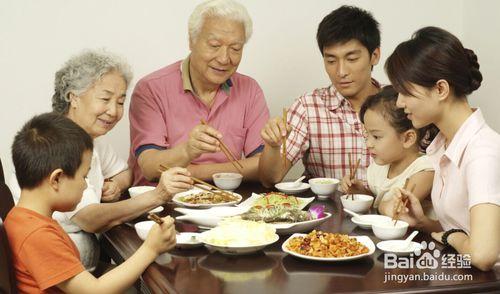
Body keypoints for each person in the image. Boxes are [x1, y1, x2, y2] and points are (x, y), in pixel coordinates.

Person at [9, 49, 193, 271]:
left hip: (83, 268)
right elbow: (91, 219)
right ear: (73, 97)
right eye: (105, 99)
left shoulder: (90, 139)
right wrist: (159, 195)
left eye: (120, 101)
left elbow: (125, 172)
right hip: (58, 274)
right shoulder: (57, 145)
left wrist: (115, 185)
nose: (113, 111)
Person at [4, 113, 177, 293]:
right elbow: (95, 291)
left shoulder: (20, 218)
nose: (86, 185)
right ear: (56, 179)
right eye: (84, 176)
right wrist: (151, 248)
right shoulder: (37, 235)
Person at [386, 26, 500, 271]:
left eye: (405, 92)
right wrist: (424, 223)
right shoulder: (444, 145)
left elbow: (482, 254)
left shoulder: (482, 152)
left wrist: (451, 237)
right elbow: (463, 231)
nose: (399, 102)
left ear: (440, 89)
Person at [129, 0, 270, 185]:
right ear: (191, 40)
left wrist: (194, 171)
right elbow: (150, 167)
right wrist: (188, 150)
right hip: (164, 204)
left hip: (229, 203)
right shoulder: (151, 88)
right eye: (214, 45)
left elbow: (264, 165)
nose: (224, 58)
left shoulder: (249, 90)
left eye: (235, 48)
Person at [259, 5, 381, 187]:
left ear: (374, 56)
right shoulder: (308, 107)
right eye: (331, 60)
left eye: (352, 59)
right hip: (326, 212)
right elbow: (270, 179)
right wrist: (273, 147)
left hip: (388, 213)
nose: (341, 71)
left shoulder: (401, 102)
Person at [340, 86, 437, 217]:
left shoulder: (425, 170)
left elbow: (395, 209)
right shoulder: (380, 166)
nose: (368, 144)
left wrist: (381, 205)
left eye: (376, 137)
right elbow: (380, 204)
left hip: (418, 236)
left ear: (408, 138)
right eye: (366, 135)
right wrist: (361, 193)